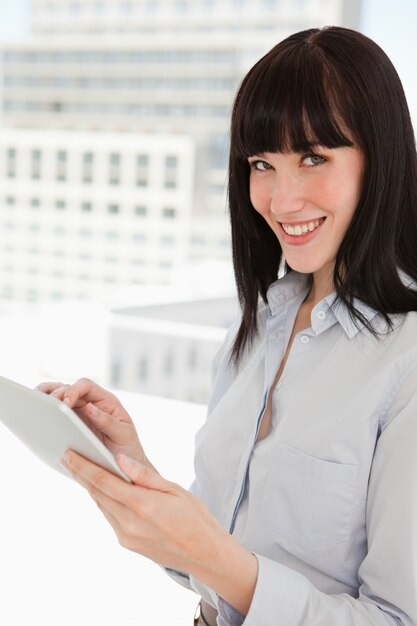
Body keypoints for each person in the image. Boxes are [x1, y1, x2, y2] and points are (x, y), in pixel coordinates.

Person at [37, 26, 417, 626]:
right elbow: (214, 562)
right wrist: (134, 467)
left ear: (381, 158)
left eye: (314, 157)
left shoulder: (407, 359)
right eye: (262, 163)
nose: (281, 198)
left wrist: (219, 562)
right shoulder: (263, 321)